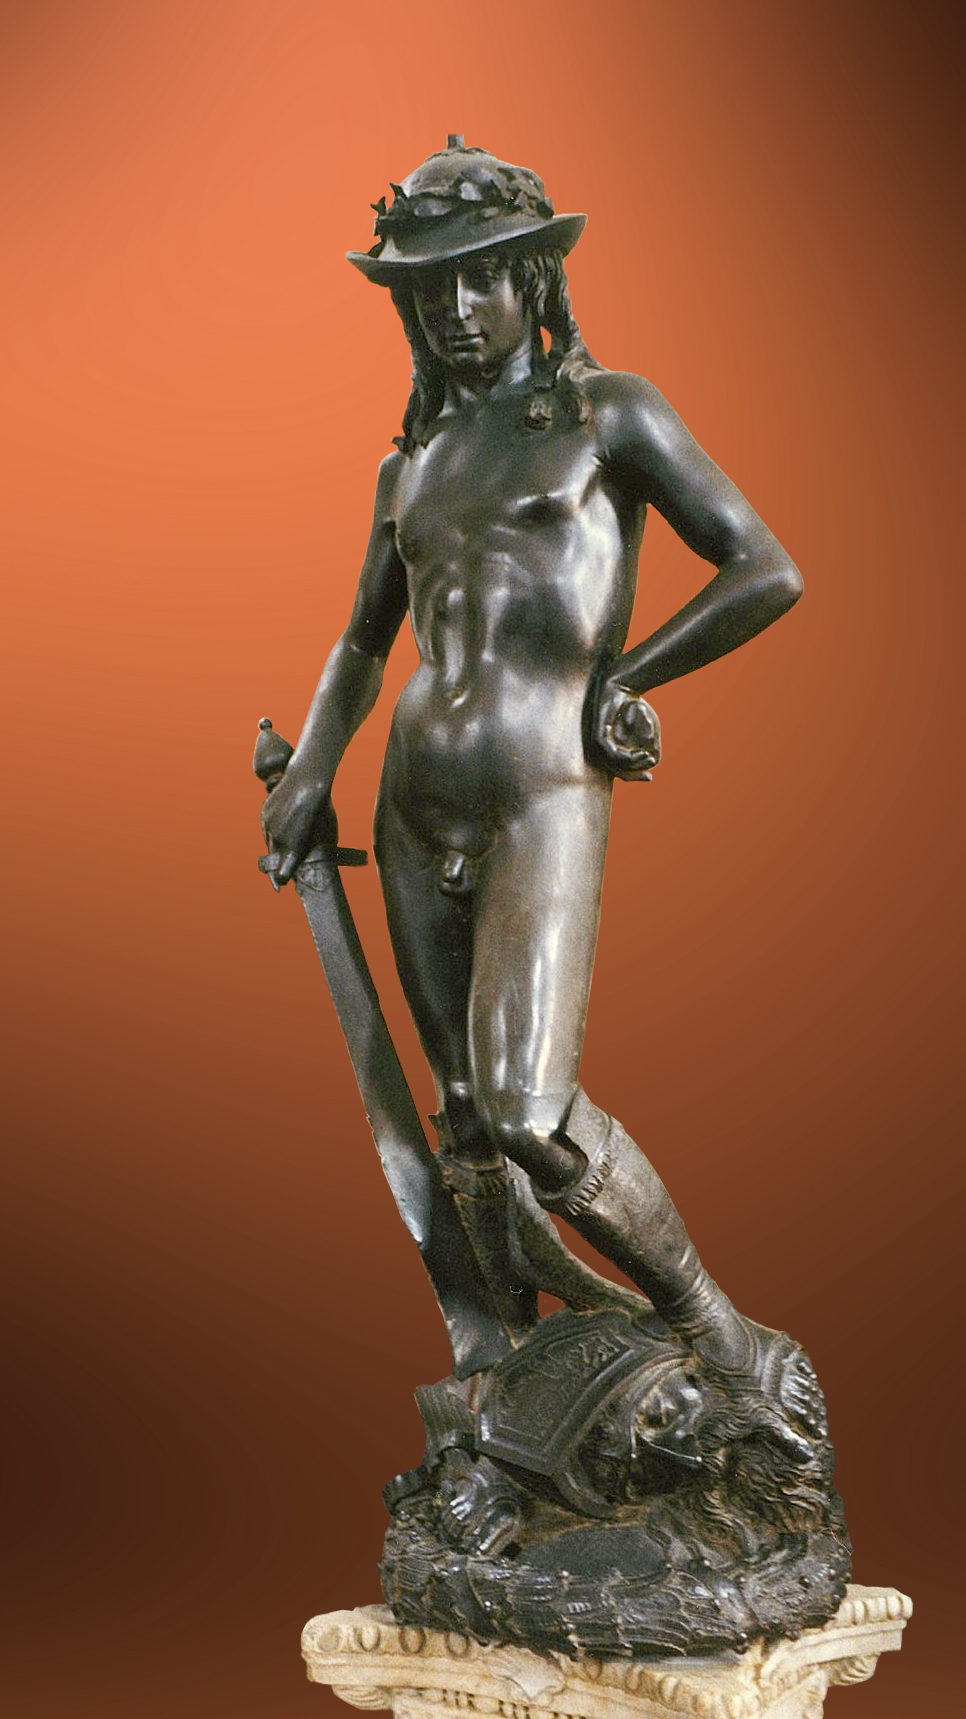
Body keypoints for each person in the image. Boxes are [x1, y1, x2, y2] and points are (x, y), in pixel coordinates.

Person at [262, 139, 816, 1429]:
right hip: (416, 800)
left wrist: (629, 677)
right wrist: (314, 769)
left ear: (533, 280)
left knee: (528, 1109)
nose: (454, 311)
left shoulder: (607, 415)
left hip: (541, 789)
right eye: (427, 291)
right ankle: (509, 1372)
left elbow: (763, 566)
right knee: (463, 1114)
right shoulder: (412, 465)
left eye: (479, 281)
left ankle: (714, 1328)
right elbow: (363, 641)